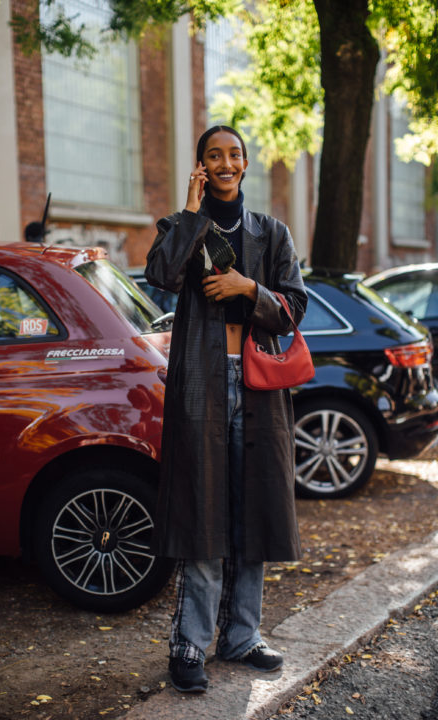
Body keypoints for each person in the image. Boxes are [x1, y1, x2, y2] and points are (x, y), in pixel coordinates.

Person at [145, 126, 307, 693]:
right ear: (200, 167)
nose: (225, 163)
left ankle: (241, 635)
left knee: (255, 511)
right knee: (202, 512)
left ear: (246, 163)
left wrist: (247, 288)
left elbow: (294, 308)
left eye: (234, 154)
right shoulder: (182, 227)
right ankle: (189, 643)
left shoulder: (272, 232)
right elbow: (162, 276)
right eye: (214, 155)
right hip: (203, 389)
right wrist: (189, 213)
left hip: (262, 391)